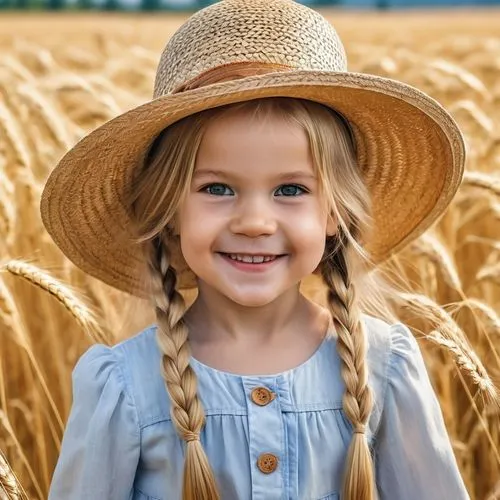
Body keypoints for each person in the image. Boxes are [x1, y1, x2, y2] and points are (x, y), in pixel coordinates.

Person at [41, 0, 470, 499]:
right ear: (169, 210)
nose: (253, 223)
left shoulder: (385, 368)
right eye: (217, 189)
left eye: (290, 190)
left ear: (335, 214)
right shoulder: (123, 386)